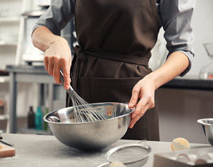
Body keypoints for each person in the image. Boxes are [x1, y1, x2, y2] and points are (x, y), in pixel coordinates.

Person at [32, 0, 195, 140]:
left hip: (132, 101)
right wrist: (54, 42)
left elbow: (182, 50)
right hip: (83, 90)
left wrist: (153, 81)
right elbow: (40, 29)